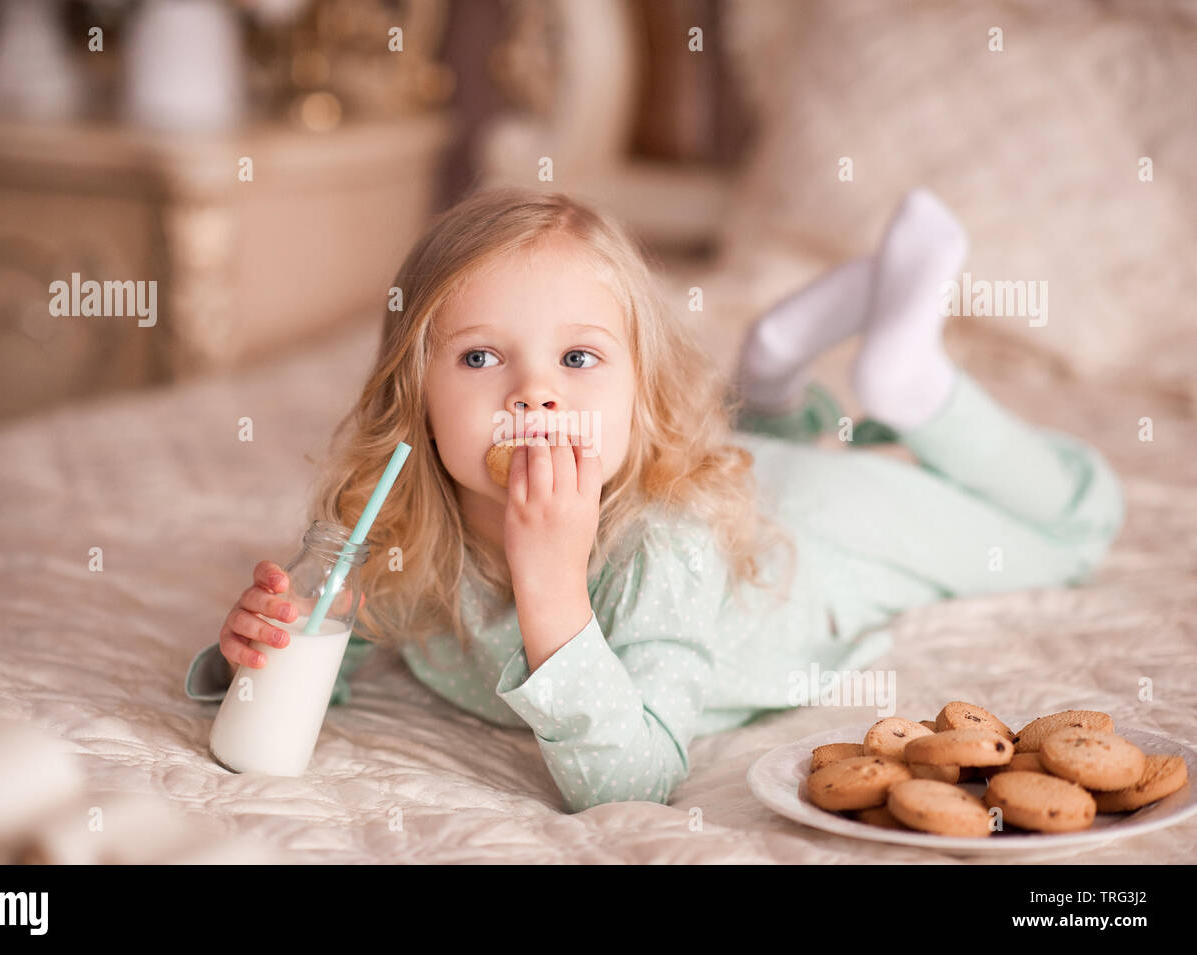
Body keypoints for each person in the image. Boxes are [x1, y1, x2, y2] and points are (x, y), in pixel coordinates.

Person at [185, 186, 1125, 812]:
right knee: (761, 441)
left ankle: (916, 385)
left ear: (641, 392)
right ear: (417, 393)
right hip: (732, 474)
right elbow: (327, 657)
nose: (534, 394)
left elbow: (632, 785)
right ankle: (776, 374)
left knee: (1074, 524)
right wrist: (250, 656)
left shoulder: (659, 548)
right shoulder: (392, 526)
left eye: (579, 358)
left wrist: (551, 586)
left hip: (816, 532)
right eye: (480, 356)